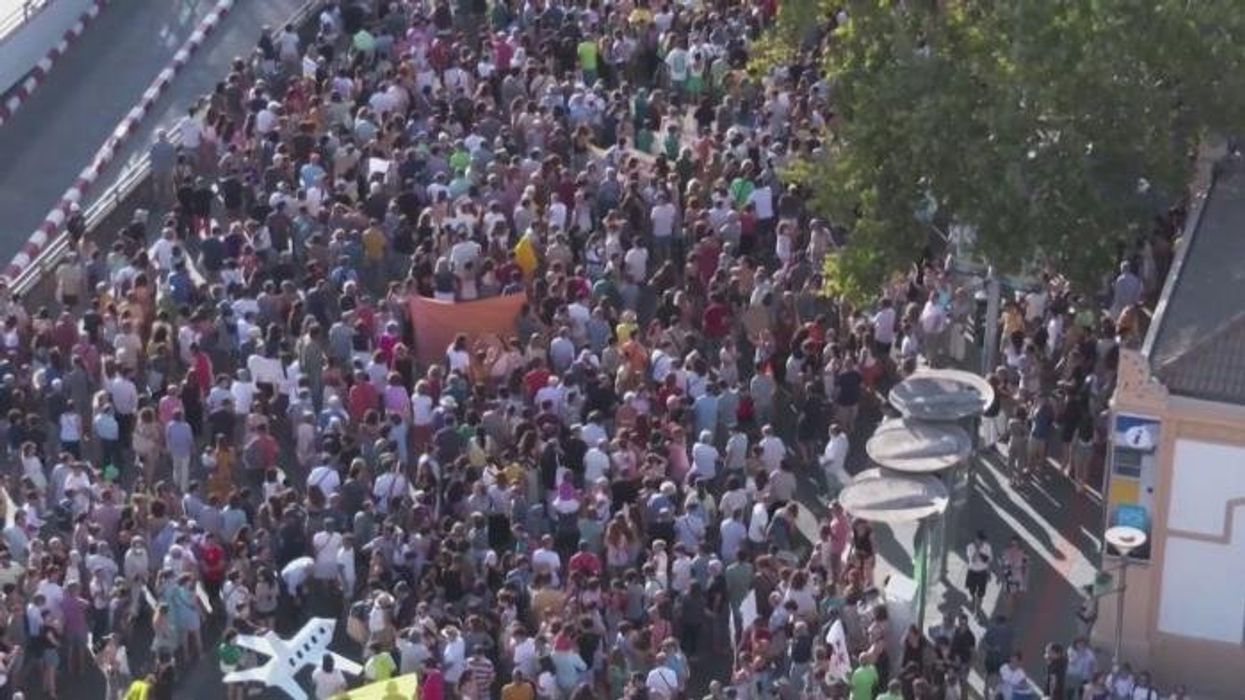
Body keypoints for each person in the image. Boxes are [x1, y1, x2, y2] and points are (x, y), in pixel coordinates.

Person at [965, 530, 992, 616]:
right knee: (972, 590)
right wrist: (977, 550)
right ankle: (973, 598)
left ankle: (978, 609)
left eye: (982, 540)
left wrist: (989, 572)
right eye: (980, 540)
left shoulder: (987, 547)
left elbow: (988, 560)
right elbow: (972, 560)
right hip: (972, 571)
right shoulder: (970, 547)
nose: (981, 542)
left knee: (981, 593)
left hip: (982, 572)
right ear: (976, 539)